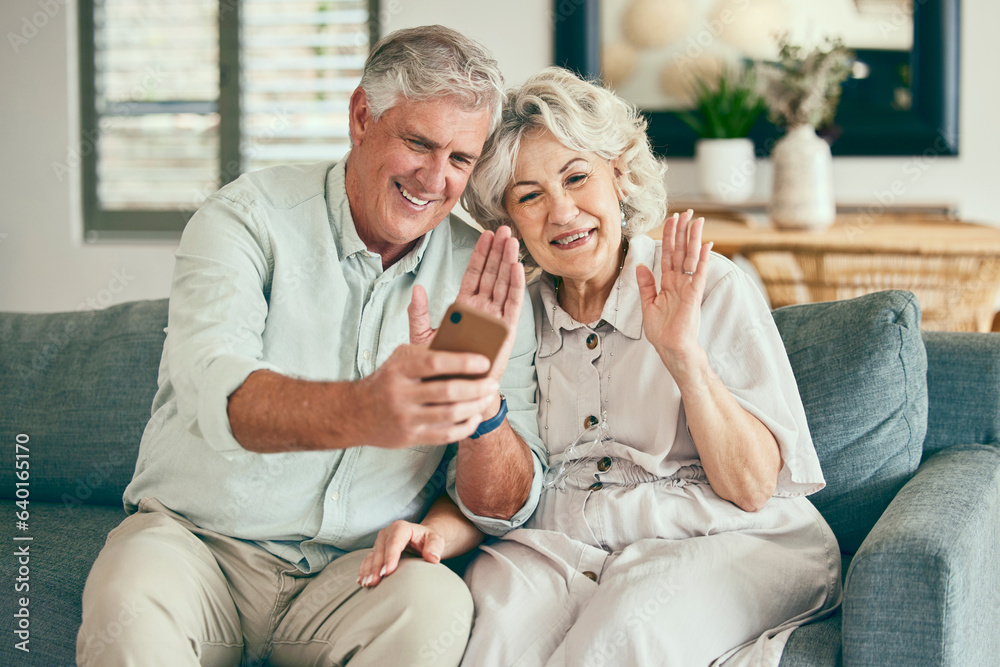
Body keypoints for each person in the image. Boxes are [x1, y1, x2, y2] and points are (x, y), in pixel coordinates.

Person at [76, 26, 547, 667]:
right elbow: (217, 389)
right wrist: (370, 409)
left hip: (360, 574)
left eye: (460, 160)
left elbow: (504, 506)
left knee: (435, 607)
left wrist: (479, 408)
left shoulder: (481, 277)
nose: (435, 179)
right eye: (417, 143)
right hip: (198, 546)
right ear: (361, 117)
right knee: (130, 600)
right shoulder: (248, 219)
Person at [361, 66, 842, 666]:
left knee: (622, 638)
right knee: (491, 645)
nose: (561, 213)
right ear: (508, 223)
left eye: (577, 177)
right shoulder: (499, 314)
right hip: (561, 541)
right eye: (530, 196)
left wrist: (683, 357)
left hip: (723, 537)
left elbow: (750, 489)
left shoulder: (707, 285)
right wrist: (437, 531)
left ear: (619, 175)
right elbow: (490, 481)